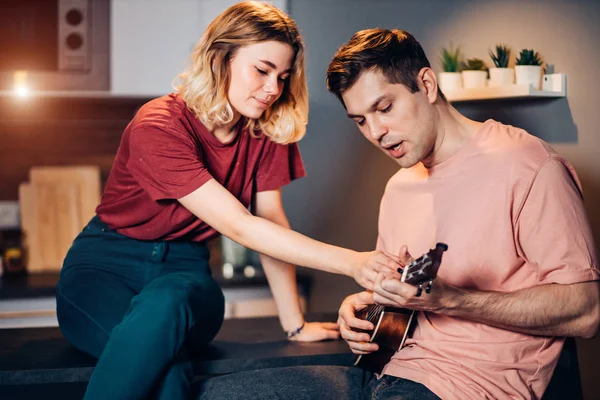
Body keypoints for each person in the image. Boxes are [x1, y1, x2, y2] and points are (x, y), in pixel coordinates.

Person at [197, 28, 600, 400]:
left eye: (384, 107)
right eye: (360, 120)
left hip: (470, 386)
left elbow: (585, 311)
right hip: (385, 375)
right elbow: (400, 305)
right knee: (212, 393)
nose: (375, 132)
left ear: (425, 84)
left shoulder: (529, 166)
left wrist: (453, 301)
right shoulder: (399, 186)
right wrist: (363, 311)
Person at [55, 4, 401, 400]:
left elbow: (271, 222)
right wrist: (354, 261)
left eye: (283, 77)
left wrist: (295, 323)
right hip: (102, 270)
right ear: (221, 58)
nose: (273, 89)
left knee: (170, 300)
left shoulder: (266, 129)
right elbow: (240, 226)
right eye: (262, 70)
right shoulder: (158, 125)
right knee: (168, 371)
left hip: (185, 275)